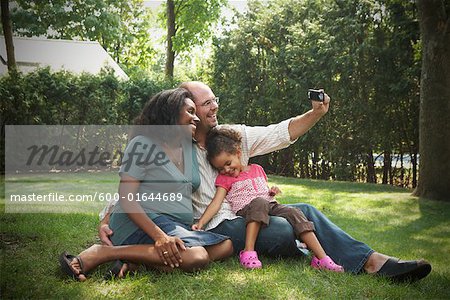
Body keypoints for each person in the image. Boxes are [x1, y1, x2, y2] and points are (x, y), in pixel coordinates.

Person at [99, 81, 431, 282]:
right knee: (286, 229)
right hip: (216, 224)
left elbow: (277, 133)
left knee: (304, 212)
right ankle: (312, 251)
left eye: (213, 100)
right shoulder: (175, 144)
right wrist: (108, 213)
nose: (213, 107)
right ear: (185, 110)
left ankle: (372, 261)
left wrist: (315, 114)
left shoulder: (229, 136)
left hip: (246, 212)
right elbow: (141, 187)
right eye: (204, 103)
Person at [60, 88, 233, 281]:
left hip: (176, 226)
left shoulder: (189, 148)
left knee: (226, 246)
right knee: (197, 256)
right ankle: (104, 253)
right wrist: (159, 236)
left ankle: (135, 260)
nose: (197, 118)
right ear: (170, 112)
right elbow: (126, 197)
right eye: (190, 112)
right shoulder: (143, 144)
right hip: (142, 222)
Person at [192, 127, 344, 272]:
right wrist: (201, 222)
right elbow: (216, 203)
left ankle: (321, 258)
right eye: (220, 168)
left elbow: (263, 190)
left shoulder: (257, 169)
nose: (225, 170)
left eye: (228, 163)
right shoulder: (225, 179)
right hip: (248, 210)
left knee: (294, 212)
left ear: (238, 153)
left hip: (269, 206)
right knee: (259, 202)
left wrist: (272, 191)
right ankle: (248, 251)